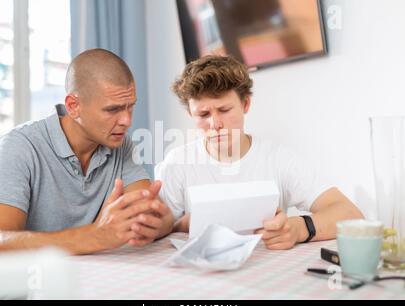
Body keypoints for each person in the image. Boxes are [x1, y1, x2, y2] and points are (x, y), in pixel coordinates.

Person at [155, 55, 363, 250]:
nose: (215, 124)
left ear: (245, 104)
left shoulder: (278, 160)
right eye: (203, 114)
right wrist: (181, 225)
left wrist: (299, 228)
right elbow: (157, 231)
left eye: (224, 110)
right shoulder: (177, 163)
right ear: (190, 113)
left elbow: (351, 215)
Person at [0, 48, 174, 255]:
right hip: (37, 281)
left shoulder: (120, 145)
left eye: (130, 107)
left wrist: (153, 224)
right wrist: (97, 235)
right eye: (113, 109)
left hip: (96, 277)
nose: (127, 121)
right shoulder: (19, 146)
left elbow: (157, 216)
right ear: (73, 106)